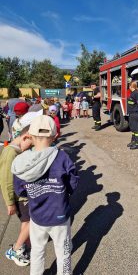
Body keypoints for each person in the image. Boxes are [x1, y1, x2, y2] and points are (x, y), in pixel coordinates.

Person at [12, 115, 79, 275]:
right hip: (60, 216)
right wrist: (63, 191)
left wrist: (33, 191)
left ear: (30, 136)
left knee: (37, 251)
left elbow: (19, 190)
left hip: (37, 217)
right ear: (55, 135)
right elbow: (73, 182)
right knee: (63, 253)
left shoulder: (23, 161)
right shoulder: (62, 157)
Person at [0, 111, 42, 266]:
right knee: (30, 222)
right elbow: (5, 180)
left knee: (27, 222)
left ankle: (26, 244)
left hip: (24, 195)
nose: (28, 148)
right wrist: (9, 202)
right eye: (29, 145)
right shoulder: (10, 152)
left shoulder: (17, 150)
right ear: (25, 137)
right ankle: (16, 249)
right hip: (20, 197)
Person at [127, 81, 138, 150]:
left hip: (135, 113)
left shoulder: (136, 93)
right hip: (132, 113)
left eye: (129, 86)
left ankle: (137, 144)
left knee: (136, 129)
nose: (128, 87)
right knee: (132, 128)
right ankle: (133, 141)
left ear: (131, 86)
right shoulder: (133, 93)